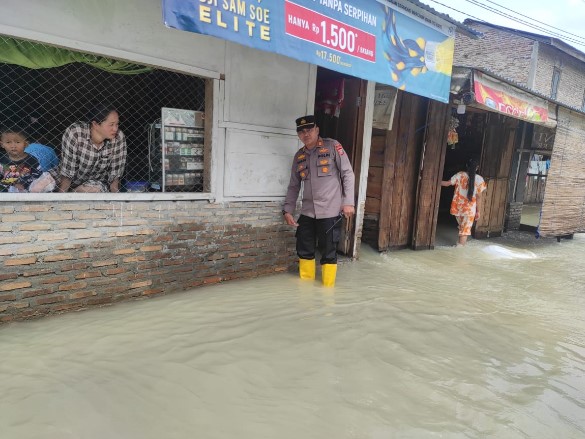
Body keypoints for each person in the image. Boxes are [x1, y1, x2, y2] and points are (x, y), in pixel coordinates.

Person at [282, 115, 355, 287]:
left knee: (328, 252)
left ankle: (327, 291)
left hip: (329, 211)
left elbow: (347, 174)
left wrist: (348, 202)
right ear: (298, 135)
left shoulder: (333, 146)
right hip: (307, 212)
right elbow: (294, 186)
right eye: (301, 131)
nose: (306, 134)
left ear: (317, 130)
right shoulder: (299, 156)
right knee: (304, 250)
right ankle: (306, 291)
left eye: (309, 130)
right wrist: (288, 210)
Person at [53, 104, 127, 192]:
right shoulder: (76, 133)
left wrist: (116, 201)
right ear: (95, 124)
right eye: (111, 125)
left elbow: (115, 176)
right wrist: (61, 198)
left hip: (95, 183)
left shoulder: (118, 137)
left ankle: (74, 193)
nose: (115, 129)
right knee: (39, 186)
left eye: (117, 124)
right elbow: (67, 172)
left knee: (92, 190)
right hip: (64, 177)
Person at [441, 158, 487, 246]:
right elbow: (479, 197)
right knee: (464, 231)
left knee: (462, 228)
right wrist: (478, 211)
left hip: (457, 208)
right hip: (469, 210)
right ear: (477, 167)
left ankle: (458, 245)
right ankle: (460, 251)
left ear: (467, 166)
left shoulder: (460, 175)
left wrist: (432, 179)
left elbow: (447, 183)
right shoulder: (480, 179)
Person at [0, 128, 43, 192]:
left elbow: (38, 178)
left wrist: (25, 185)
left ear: (26, 144)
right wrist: (13, 184)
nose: (13, 146)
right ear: (2, 144)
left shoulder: (32, 160)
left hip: (27, 194)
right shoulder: (1, 160)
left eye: (17, 142)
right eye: (8, 142)